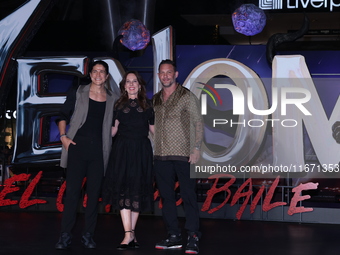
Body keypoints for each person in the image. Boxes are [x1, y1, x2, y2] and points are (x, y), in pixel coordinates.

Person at [55, 60, 118, 249]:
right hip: (77, 148)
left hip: (99, 152)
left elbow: (115, 123)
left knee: (93, 196)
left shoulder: (113, 98)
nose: (98, 75)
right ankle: (65, 235)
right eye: (95, 71)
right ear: (90, 74)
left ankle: (88, 235)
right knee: (73, 194)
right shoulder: (78, 92)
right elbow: (62, 115)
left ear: (107, 77)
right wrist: (63, 137)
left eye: (102, 72)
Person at [153, 59, 203, 254]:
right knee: (167, 198)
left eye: (169, 72)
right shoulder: (156, 99)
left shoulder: (187, 96)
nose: (165, 75)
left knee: (188, 196)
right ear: (159, 76)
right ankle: (173, 235)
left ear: (176, 74)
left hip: (184, 154)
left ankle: (193, 235)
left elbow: (198, 122)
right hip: (161, 155)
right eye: (162, 73)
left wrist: (196, 148)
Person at [102, 71, 154, 250]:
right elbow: (113, 130)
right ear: (124, 85)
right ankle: (128, 234)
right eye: (128, 82)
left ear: (140, 85)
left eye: (135, 81)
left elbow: (154, 130)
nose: (131, 84)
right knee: (124, 191)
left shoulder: (148, 105)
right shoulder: (118, 104)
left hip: (141, 151)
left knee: (136, 191)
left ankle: (131, 233)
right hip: (122, 150)